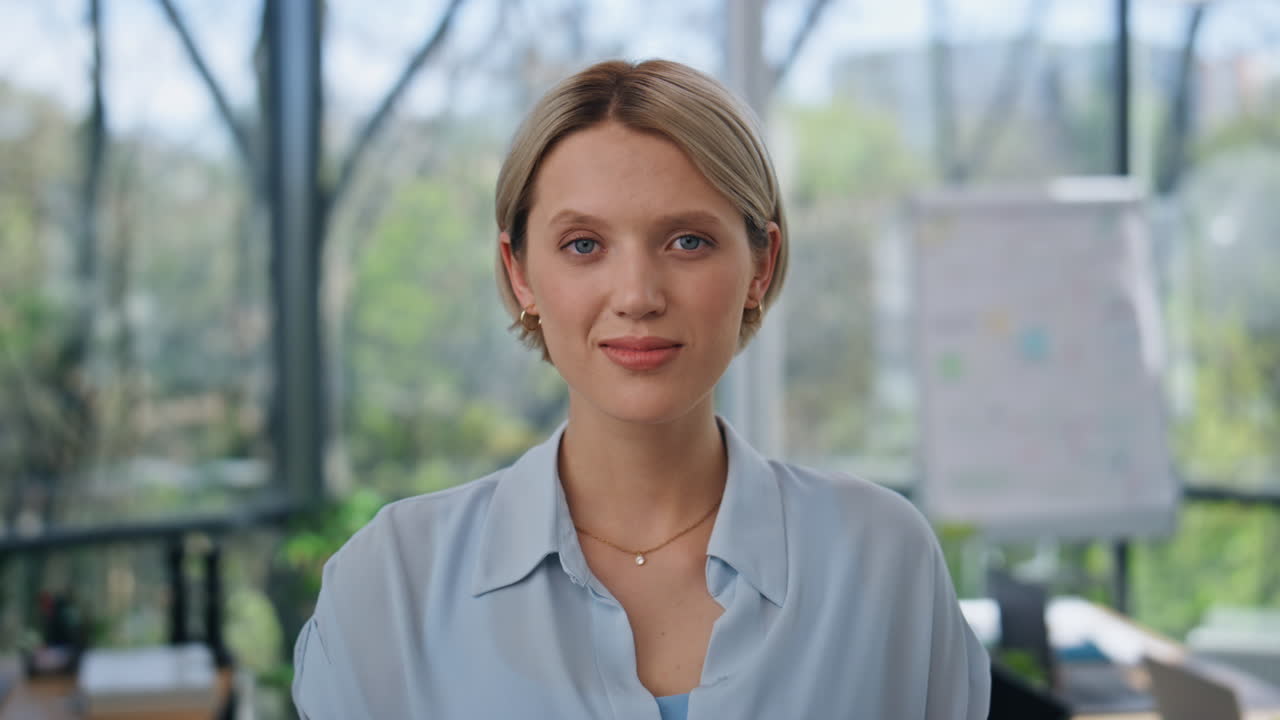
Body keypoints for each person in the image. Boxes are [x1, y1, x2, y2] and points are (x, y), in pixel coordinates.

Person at [291, 58, 990, 719]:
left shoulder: (880, 561)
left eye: (687, 241)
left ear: (760, 263)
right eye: (584, 245)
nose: (637, 295)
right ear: (520, 273)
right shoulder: (388, 588)